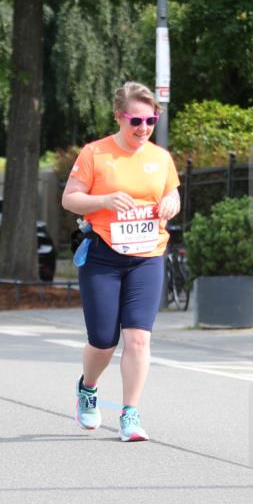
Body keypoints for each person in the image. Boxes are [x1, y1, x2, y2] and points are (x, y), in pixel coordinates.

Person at [61, 81, 180, 442]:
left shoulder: (160, 158)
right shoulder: (95, 154)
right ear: (119, 117)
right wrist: (104, 201)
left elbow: (171, 191)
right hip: (104, 256)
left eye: (150, 120)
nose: (144, 128)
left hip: (147, 256)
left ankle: (130, 414)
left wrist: (173, 202)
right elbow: (70, 199)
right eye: (136, 120)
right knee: (103, 341)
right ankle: (89, 387)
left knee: (138, 338)